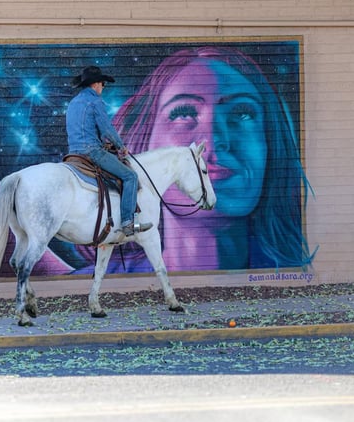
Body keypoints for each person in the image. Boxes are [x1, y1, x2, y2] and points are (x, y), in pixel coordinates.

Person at [111, 46, 315, 270]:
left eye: (242, 113)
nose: (213, 139)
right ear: (144, 142)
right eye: (183, 113)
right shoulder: (109, 278)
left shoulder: (297, 274)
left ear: (270, 143)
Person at [66, 65, 152, 237]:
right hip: (92, 152)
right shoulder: (95, 101)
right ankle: (128, 222)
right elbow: (106, 128)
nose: (103, 88)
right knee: (130, 176)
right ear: (96, 84)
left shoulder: (73, 103)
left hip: (73, 153)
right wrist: (120, 147)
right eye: (103, 84)